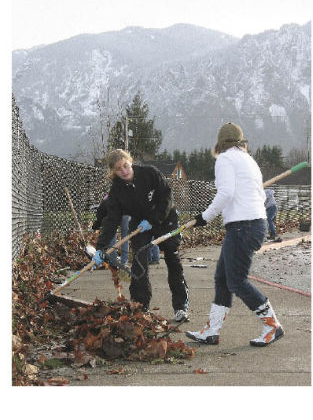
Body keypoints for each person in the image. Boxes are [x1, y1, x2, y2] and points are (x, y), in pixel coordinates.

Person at [186, 122, 285, 347]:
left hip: (243, 227)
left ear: (220, 144)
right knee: (222, 278)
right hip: (253, 224)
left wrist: (204, 217)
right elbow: (259, 196)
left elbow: (226, 193)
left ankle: (272, 326)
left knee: (237, 281)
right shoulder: (249, 161)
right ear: (241, 142)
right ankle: (212, 331)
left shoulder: (225, 159)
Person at [92, 149, 189, 321]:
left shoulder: (150, 173)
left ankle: (181, 307)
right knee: (139, 261)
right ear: (113, 172)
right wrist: (101, 248)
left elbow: (166, 196)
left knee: (172, 259)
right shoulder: (116, 191)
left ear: (131, 161)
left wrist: (154, 219)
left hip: (164, 218)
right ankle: (140, 306)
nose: (124, 170)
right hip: (139, 223)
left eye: (125, 165)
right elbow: (111, 220)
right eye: (118, 169)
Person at [92, 193, 130, 266]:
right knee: (125, 238)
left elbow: (100, 216)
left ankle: (113, 262)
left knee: (111, 237)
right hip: (126, 214)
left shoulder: (105, 201)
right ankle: (124, 262)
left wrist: (96, 225)